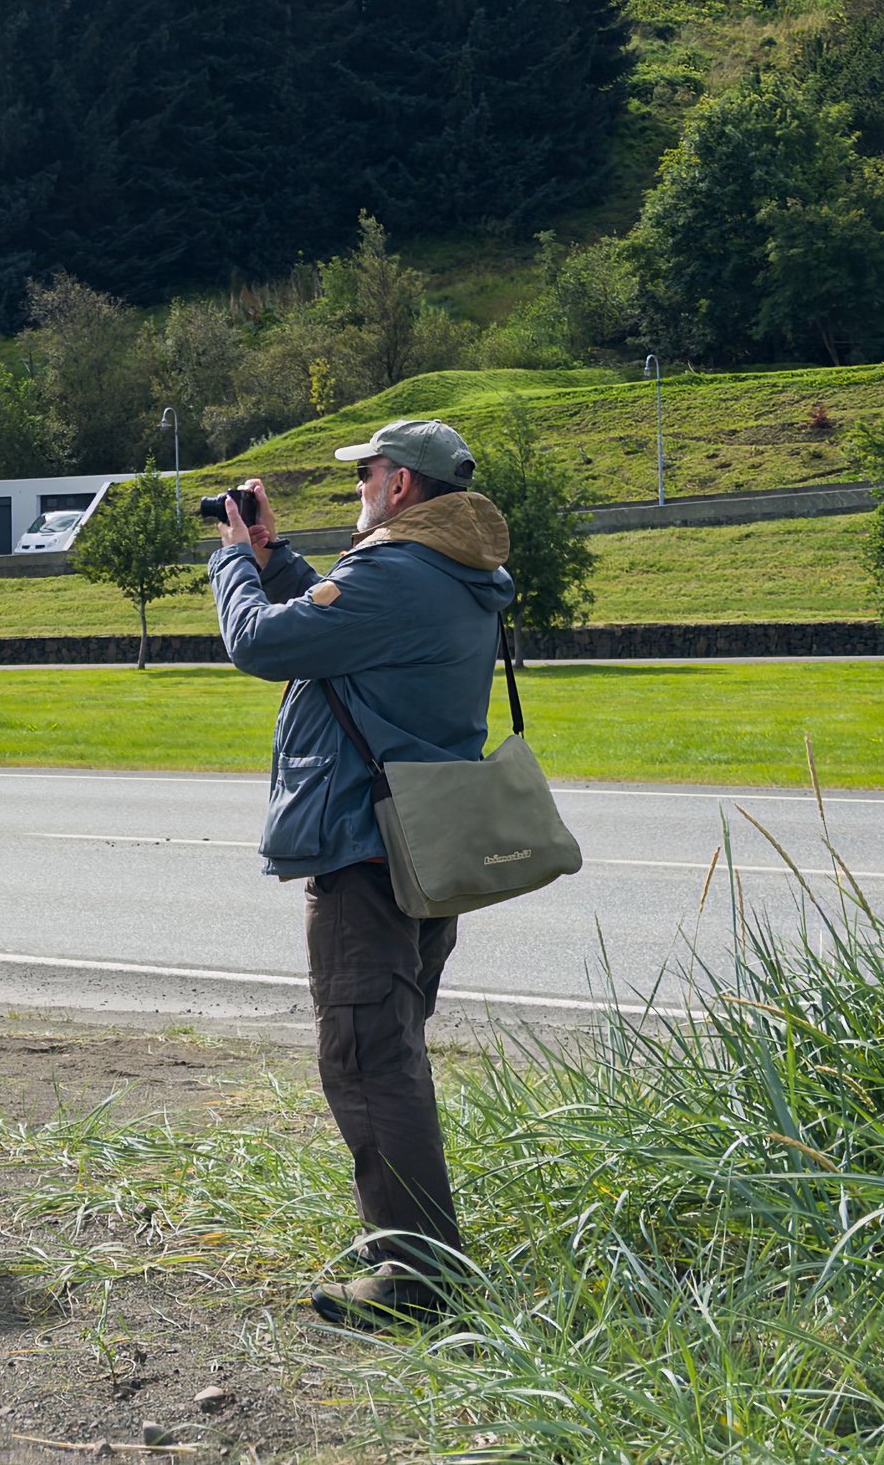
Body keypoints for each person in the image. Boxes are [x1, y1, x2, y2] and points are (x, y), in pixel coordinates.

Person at [206, 418, 513, 1327]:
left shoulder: (397, 572)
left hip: (364, 850)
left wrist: (232, 562)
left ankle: (416, 1277)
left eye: (365, 475)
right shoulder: (452, 572)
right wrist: (275, 555)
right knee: (393, 1049)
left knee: (368, 1058)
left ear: (403, 487)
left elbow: (262, 646)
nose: (358, 489)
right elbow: (343, 626)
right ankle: (405, 1241)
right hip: (420, 842)